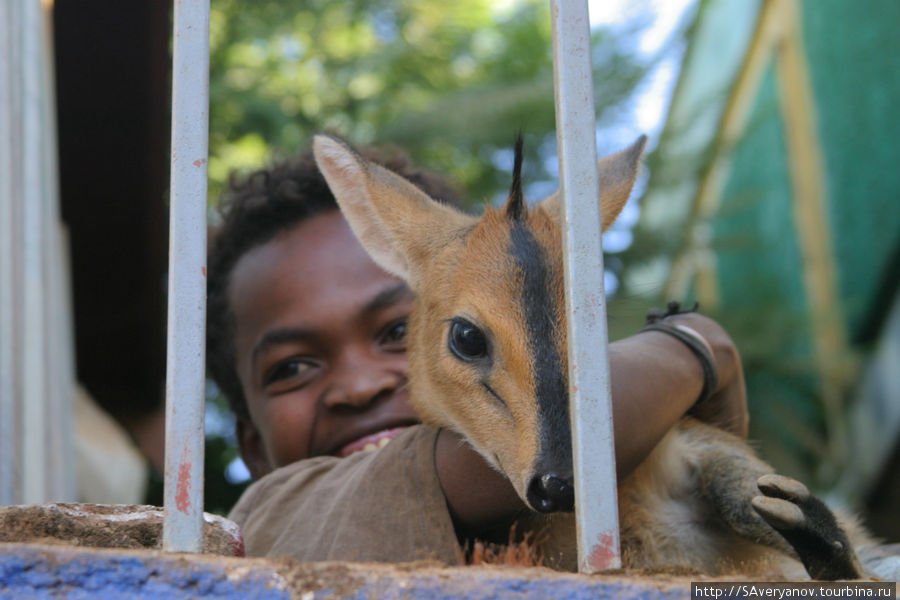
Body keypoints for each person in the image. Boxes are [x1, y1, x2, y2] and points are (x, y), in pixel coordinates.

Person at [206, 141, 749, 565]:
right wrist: (695, 346)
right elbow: (581, 440)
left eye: (398, 331)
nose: (360, 385)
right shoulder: (271, 520)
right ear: (252, 446)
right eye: (292, 368)